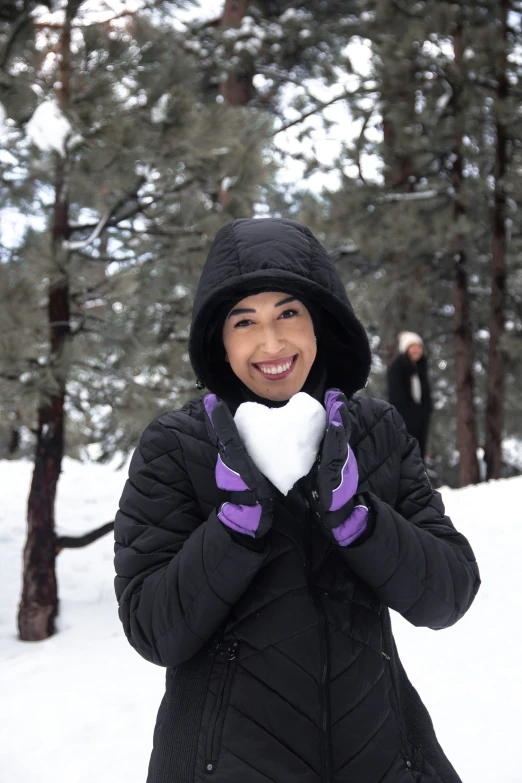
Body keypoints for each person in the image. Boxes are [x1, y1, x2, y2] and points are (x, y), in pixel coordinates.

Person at [114, 218, 480, 783]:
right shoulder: (175, 446)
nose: (271, 343)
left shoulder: (375, 431)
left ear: (320, 324)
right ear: (219, 339)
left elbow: (448, 594)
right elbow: (154, 630)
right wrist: (232, 530)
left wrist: (362, 522)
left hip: (383, 759)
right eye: (244, 321)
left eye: (288, 313)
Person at [387, 332, 432, 459]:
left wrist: (426, 412)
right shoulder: (397, 366)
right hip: (404, 418)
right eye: (413, 347)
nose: (416, 350)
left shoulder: (421, 368)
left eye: (419, 347)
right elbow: (396, 395)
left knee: (419, 452)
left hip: (421, 419)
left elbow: (426, 395)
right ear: (406, 349)